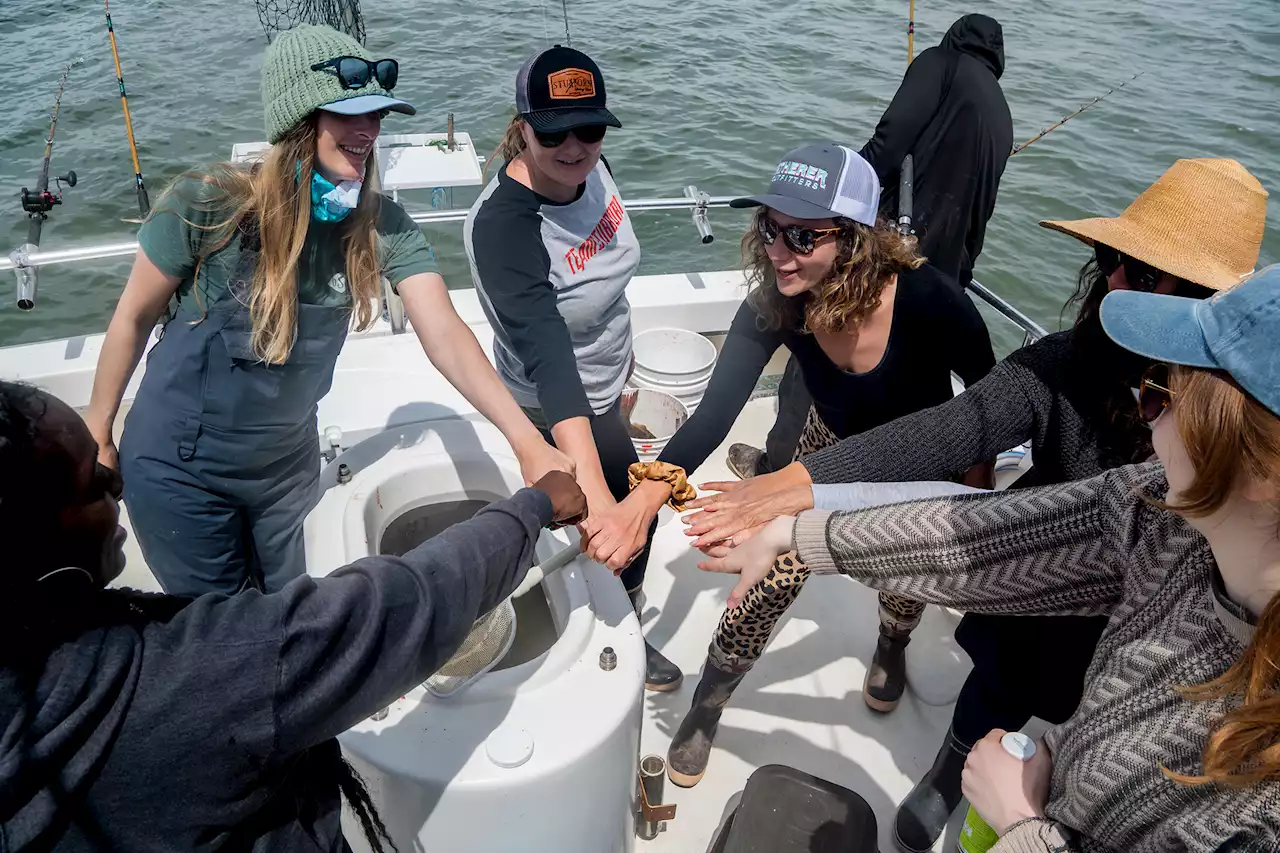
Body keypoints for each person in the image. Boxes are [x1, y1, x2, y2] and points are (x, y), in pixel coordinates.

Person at [679, 157, 1266, 850]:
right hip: (960, 555)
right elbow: (984, 512)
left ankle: (912, 680)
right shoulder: (1137, 506)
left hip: (1077, 679)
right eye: (1110, 259)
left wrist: (1024, 829)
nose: (1111, 286)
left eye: (1162, 398)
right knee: (998, 683)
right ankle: (945, 765)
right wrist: (787, 511)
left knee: (1068, 715)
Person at [84, 26, 569, 598]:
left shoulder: (383, 227)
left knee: (289, 611)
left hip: (285, 474)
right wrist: (97, 430)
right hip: (180, 475)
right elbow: (132, 318)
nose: (368, 131)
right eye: (348, 114)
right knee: (219, 634)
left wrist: (527, 442)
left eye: (378, 116)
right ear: (298, 121)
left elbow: (445, 334)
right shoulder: (208, 205)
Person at [0, 380, 588, 852]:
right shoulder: (199, 676)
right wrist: (533, 506)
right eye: (93, 481)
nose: (117, 481)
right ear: (33, 534)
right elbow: (405, 601)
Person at [596, 142, 996, 787]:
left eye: (803, 235)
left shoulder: (931, 301)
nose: (779, 252)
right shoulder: (778, 301)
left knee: (905, 576)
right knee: (767, 577)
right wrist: (644, 501)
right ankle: (711, 699)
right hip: (826, 451)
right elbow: (714, 413)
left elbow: (987, 403)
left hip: (918, 461)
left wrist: (973, 485)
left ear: (857, 240)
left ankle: (892, 641)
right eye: (771, 228)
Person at [463, 44, 682, 691]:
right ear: (522, 125)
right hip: (554, 403)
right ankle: (593, 645)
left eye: (589, 128)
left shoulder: (595, 167)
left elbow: (607, 281)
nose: (573, 146)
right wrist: (595, 486)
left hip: (610, 385)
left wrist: (623, 374)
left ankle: (626, 625)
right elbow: (549, 352)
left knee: (633, 521)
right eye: (553, 131)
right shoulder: (504, 228)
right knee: (599, 523)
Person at [733, 13, 1014, 479]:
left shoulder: (938, 63)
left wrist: (827, 204)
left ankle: (779, 461)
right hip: (948, 267)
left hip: (885, 250)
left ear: (954, 40)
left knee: (818, 348)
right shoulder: (1002, 113)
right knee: (913, 386)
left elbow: (885, 147)